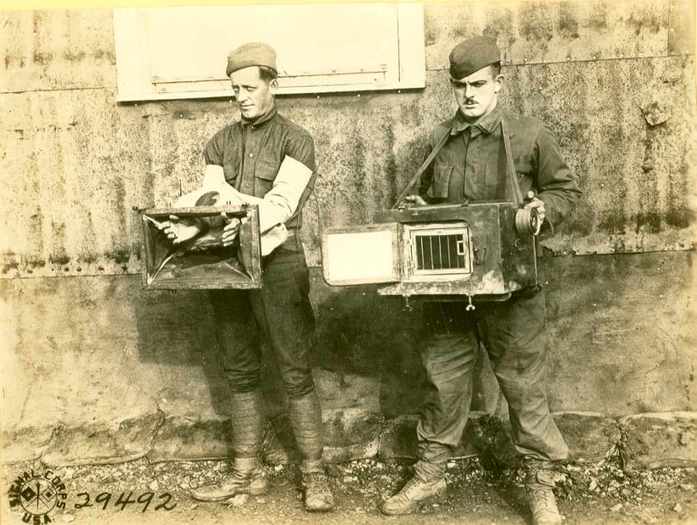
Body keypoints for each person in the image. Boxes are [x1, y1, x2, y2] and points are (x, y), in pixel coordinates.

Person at [379, 36, 581, 525]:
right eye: (460, 86)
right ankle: (431, 472)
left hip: (513, 289)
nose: (469, 94)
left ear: (498, 83)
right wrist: (418, 212)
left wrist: (540, 211)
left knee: (523, 385)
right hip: (450, 289)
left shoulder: (529, 135)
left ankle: (540, 483)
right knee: (442, 381)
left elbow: (565, 191)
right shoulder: (440, 140)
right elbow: (431, 205)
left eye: (478, 84)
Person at [161, 42, 334, 512]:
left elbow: (281, 206)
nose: (241, 96)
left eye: (250, 87)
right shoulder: (218, 142)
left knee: (294, 368)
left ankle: (314, 474)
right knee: (238, 367)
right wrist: (197, 212)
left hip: (280, 265)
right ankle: (245, 473)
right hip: (229, 266)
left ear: (272, 84)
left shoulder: (297, 140)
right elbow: (214, 208)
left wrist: (221, 203)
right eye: (234, 89)